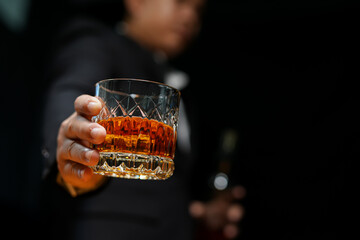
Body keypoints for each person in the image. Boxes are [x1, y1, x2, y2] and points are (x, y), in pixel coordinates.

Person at [41, 0, 244, 239]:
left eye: (198, 10)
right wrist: (70, 144)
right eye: (180, 3)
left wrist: (196, 216)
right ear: (136, 2)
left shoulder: (182, 91)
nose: (190, 17)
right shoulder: (95, 42)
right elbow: (70, 91)